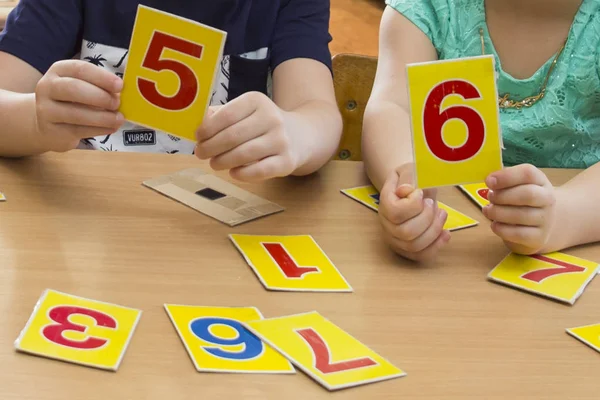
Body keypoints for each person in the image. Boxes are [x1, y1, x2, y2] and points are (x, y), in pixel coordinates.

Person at [0, 0, 342, 182]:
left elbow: (318, 114)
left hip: (221, 226)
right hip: (84, 214)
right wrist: (34, 120)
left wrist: (296, 135)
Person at [363, 0, 600, 261]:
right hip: (450, 254)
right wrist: (405, 179)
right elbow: (391, 107)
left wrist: (564, 216)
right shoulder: (430, 8)